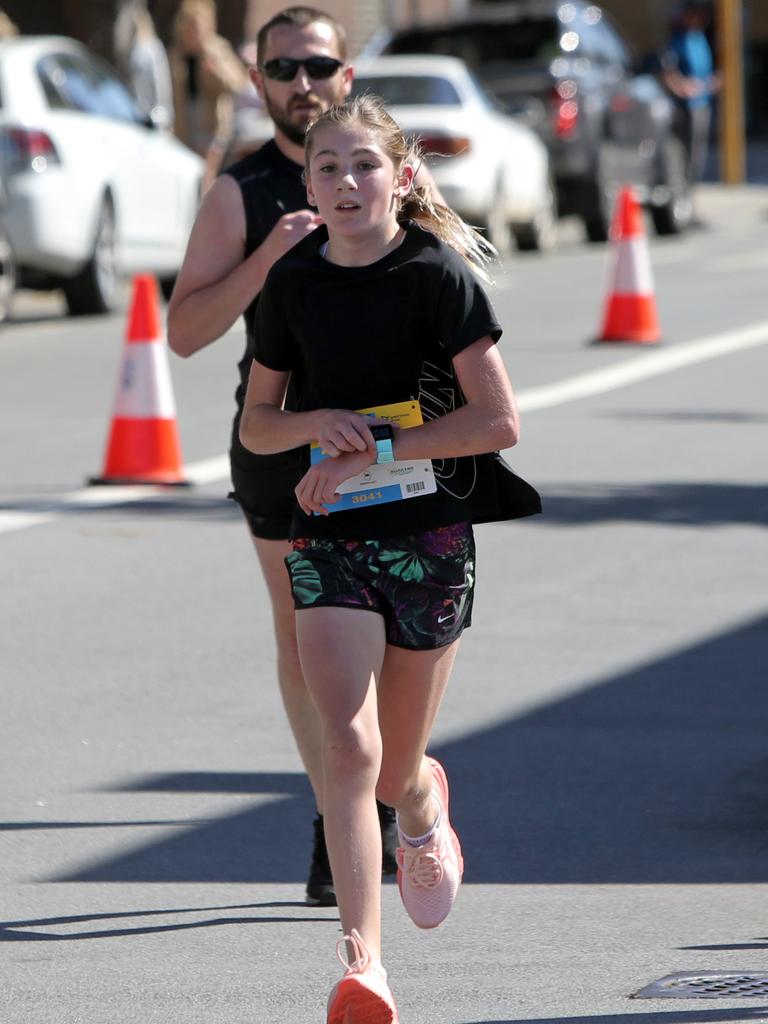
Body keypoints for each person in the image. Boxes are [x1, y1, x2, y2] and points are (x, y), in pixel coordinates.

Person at [238, 93, 534, 1023]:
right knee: (347, 743)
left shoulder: (437, 275)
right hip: (328, 533)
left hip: (431, 535)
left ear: (400, 176)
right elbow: (257, 422)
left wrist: (382, 450)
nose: (346, 182)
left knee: (396, 763)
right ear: (310, 187)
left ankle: (422, 805)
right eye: (328, 168)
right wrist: (312, 427)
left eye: (363, 164)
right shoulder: (291, 282)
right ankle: (362, 963)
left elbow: (498, 423)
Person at [168, 6, 424, 908]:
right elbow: (185, 331)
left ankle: (401, 791)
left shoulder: (383, 166)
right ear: (259, 81)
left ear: (346, 74)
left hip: (394, 442)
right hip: (280, 441)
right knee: (308, 640)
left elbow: (445, 288)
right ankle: (340, 817)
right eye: (282, 68)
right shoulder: (242, 192)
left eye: (317, 63)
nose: (300, 82)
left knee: (401, 638)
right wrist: (267, 259)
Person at [168, 0, 248, 190]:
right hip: (185, 119)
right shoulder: (177, 53)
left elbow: (237, 84)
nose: (193, 31)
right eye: (190, 26)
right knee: (188, 170)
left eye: (197, 26)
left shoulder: (218, 50)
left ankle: (204, 209)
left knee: (206, 172)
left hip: (211, 121)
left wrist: (214, 70)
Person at [661, 1, 721, 208]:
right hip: (687, 107)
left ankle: (691, 200)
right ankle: (682, 200)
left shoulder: (701, 38)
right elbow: (668, 72)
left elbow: (708, 69)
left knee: (698, 155)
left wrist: (713, 81)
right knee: (686, 154)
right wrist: (683, 87)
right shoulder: (678, 40)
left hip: (703, 103)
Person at [114, 1, 174, 127]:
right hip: (128, 120)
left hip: (150, 122)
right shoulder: (125, 53)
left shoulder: (151, 49)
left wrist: (159, 119)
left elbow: (161, 89)